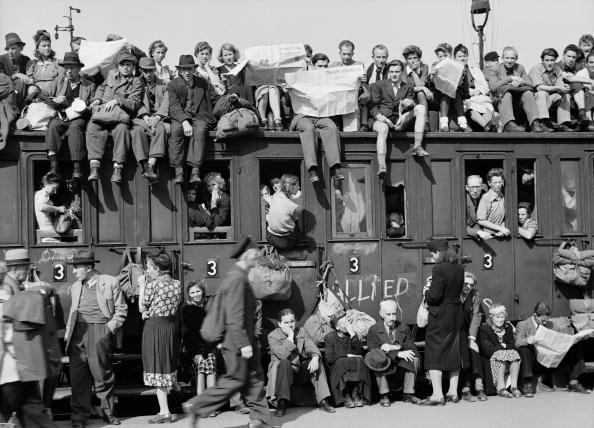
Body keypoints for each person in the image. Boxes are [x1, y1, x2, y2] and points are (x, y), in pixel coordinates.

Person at [183, 237, 273, 428]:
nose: (257, 259)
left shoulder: (239, 277)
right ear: (247, 255)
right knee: (236, 379)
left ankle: (260, 419)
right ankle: (196, 405)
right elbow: (234, 314)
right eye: (255, 255)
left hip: (244, 339)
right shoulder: (236, 278)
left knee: (255, 379)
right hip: (237, 341)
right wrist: (244, 343)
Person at [64, 250, 127, 427]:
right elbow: (72, 314)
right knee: (78, 378)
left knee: (102, 375)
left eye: (77, 268)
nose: (74, 272)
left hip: (99, 330)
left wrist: (107, 330)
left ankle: (108, 413)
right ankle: (79, 417)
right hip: (77, 334)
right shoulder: (76, 286)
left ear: (89, 267)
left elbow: (121, 310)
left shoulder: (109, 282)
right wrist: (68, 335)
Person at [0, 249, 57, 428]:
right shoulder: (6, 292)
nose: (27, 273)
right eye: (25, 268)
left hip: (18, 369)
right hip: (13, 369)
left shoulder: (15, 288)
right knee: (33, 414)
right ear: (16, 268)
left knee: (29, 414)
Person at [139, 252, 182, 424]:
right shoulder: (177, 284)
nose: (147, 271)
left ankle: (164, 411)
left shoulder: (153, 285)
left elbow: (142, 307)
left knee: (157, 368)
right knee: (165, 365)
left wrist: (142, 285)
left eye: (149, 267)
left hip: (155, 328)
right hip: (169, 328)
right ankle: (175, 386)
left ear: (157, 269)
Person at [87, 50, 143, 184]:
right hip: (103, 113)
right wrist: (97, 99)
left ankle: (118, 168)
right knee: (92, 126)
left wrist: (118, 100)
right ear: (118, 65)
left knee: (122, 130)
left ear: (133, 66)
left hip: (120, 116)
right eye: (122, 64)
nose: (125, 67)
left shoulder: (136, 82)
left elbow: (134, 104)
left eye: (128, 64)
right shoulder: (111, 74)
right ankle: (94, 168)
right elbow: (101, 87)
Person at [421, 239, 465, 405]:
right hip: (456, 313)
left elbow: (435, 296)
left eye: (433, 252)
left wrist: (427, 293)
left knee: (434, 352)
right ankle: (453, 392)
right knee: (454, 350)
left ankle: (437, 394)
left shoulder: (438, 269)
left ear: (440, 252)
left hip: (441, 315)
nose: (432, 256)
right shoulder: (459, 267)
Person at [266, 308, 335, 417]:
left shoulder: (301, 331)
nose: (290, 325)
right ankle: (282, 402)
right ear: (279, 324)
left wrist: (315, 357)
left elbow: (310, 346)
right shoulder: (273, 336)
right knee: (285, 362)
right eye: (286, 323)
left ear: (296, 321)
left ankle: (323, 401)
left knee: (317, 362)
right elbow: (282, 355)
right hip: (281, 374)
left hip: (297, 372)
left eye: (292, 321)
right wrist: (290, 337)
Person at [288, 53, 344, 184]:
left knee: (331, 127)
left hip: (322, 116)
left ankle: (335, 168)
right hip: (303, 116)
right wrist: (287, 92)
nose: (322, 69)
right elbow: (288, 103)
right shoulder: (301, 78)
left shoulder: (331, 80)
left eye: (325, 66)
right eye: (320, 66)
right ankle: (312, 169)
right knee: (308, 128)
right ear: (312, 66)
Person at [516, 302, 590, 397]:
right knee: (524, 349)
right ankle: (528, 384)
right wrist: (526, 340)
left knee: (574, 346)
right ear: (535, 315)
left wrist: (573, 339)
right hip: (536, 363)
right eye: (542, 320)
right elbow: (517, 342)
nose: (545, 323)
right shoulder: (523, 325)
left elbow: (560, 338)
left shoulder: (552, 325)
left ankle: (574, 382)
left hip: (553, 361)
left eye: (547, 320)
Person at [42, 52, 96, 182]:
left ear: (79, 68)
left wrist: (84, 107)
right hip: (62, 115)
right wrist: (55, 99)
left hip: (79, 117)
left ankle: (77, 169)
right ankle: (54, 166)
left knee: (75, 128)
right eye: (66, 67)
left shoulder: (89, 85)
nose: (69, 71)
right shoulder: (59, 81)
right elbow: (43, 94)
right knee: (54, 125)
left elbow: (94, 105)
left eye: (72, 67)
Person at [371, 59, 429, 179]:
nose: (394, 74)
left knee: (420, 108)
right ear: (388, 72)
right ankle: (382, 166)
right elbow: (372, 106)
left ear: (401, 72)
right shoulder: (379, 85)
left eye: (397, 71)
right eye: (392, 71)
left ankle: (417, 146)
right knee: (382, 130)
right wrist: (379, 116)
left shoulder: (408, 86)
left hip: (400, 120)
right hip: (382, 120)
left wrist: (411, 102)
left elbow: (411, 101)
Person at [167, 55, 221, 185]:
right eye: (184, 70)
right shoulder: (173, 84)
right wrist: (185, 122)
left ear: (194, 69)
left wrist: (228, 98)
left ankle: (195, 171)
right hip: (180, 117)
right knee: (175, 131)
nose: (187, 73)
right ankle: (178, 171)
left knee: (201, 131)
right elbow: (174, 107)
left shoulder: (204, 83)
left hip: (200, 117)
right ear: (179, 70)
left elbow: (215, 99)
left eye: (189, 69)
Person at [366, 299, 421, 406]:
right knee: (377, 359)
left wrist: (393, 347)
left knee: (414, 358)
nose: (392, 317)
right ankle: (384, 394)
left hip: (401, 361)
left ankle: (408, 393)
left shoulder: (403, 327)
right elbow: (374, 350)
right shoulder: (374, 329)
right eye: (388, 314)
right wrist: (398, 353)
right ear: (381, 314)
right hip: (386, 361)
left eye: (394, 314)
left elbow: (411, 347)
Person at [130, 57, 170, 184]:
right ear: (141, 71)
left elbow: (167, 102)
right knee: (136, 131)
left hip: (159, 117)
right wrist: (145, 116)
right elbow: (136, 101)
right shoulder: (136, 83)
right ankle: (144, 166)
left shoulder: (164, 84)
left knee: (160, 129)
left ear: (154, 70)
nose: (148, 74)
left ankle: (151, 165)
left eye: (150, 71)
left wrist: (158, 116)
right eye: (145, 71)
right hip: (142, 118)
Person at [181, 281, 219, 404]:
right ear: (189, 295)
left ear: (202, 291)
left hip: (210, 345)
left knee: (211, 364)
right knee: (202, 366)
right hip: (194, 348)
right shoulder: (187, 310)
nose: (196, 294)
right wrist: (197, 352)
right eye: (192, 292)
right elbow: (188, 334)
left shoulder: (210, 306)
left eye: (198, 291)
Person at [488, 46, 543, 132]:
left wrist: (520, 82)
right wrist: (511, 78)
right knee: (507, 94)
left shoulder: (520, 68)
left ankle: (534, 123)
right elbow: (493, 87)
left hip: (517, 100)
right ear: (502, 58)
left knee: (528, 93)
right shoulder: (494, 69)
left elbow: (530, 84)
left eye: (512, 58)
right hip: (500, 100)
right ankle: (509, 124)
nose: (509, 61)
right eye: (507, 58)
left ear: (516, 59)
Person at [323, 316, 370, 408]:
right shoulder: (330, 337)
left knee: (360, 361)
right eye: (345, 324)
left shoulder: (351, 336)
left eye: (349, 323)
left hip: (352, 364)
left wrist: (353, 335)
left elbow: (359, 353)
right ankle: (346, 396)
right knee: (342, 362)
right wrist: (346, 355)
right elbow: (329, 358)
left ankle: (355, 394)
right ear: (337, 327)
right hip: (337, 367)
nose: (348, 326)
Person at [478, 303, 521, 398]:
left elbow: (512, 345)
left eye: (502, 317)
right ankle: (501, 388)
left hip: (505, 355)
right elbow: (488, 351)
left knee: (515, 355)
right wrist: (502, 346)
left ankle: (514, 387)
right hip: (490, 358)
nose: (501, 320)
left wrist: (503, 347)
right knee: (501, 356)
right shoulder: (485, 329)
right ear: (492, 317)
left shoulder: (508, 327)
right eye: (498, 317)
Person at [454, 44, 498, 132]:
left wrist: (478, 90)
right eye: (460, 56)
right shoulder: (453, 70)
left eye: (464, 56)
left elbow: (485, 86)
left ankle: (488, 125)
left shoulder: (475, 70)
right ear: (455, 57)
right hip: (463, 99)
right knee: (473, 109)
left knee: (486, 109)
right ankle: (487, 126)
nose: (462, 58)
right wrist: (467, 91)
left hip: (478, 97)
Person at [529, 48, 573, 132]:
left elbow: (559, 87)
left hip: (549, 99)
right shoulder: (536, 68)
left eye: (552, 60)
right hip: (535, 100)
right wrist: (557, 88)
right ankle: (543, 122)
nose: (549, 63)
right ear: (542, 60)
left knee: (565, 94)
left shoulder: (557, 70)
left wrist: (564, 87)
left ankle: (563, 123)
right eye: (547, 60)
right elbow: (539, 87)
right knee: (542, 93)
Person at [460, 272, 488, 402]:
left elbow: (476, 316)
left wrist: (471, 339)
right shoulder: (454, 293)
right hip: (455, 331)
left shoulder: (474, 295)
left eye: (471, 285)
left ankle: (479, 386)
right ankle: (465, 388)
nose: (468, 287)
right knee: (464, 352)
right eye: (466, 283)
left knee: (474, 349)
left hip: (468, 329)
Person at [433, 43, 472, 133]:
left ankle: (462, 122)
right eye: (440, 56)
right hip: (439, 94)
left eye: (445, 56)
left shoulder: (455, 67)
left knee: (455, 91)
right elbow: (432, 83)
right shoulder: (436, 65)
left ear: (450, 55)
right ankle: (444, 124)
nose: (443, 58)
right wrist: (433, 74)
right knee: (448, 92)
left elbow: (463, 85)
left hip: (455, 93)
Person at [266, 174, 303, 250]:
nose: (299, 187)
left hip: (270, 237)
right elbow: (295, 219)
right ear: (291, 187)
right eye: (297, 185)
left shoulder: (276, 194)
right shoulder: (293, 206)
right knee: (299, 228)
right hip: (286, 242)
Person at [402, 45, 432, 131]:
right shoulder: (403, 68)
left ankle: (425, 122)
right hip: (407, 95)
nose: (412, 61)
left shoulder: (424, 67)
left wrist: (414, 72)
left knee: (421, 93)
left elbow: (420, 86)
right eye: (409, 58)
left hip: (421, 96)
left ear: (419, 58)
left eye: (415, 58)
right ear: (406, 60)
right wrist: (424, 88)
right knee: (421, 91)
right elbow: (406, 88)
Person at [26, 30, 62, 95]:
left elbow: (61, 82)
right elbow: (30, 82)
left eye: (49, 45)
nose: (47, 48)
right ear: (37, 48)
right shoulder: (32, 64)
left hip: (53, 94)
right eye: (44, 46)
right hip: (37, 95)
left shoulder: (57, 63)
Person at [0, 32, 32, 108]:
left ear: (20, 48)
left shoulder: (26, 60)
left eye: (13, 48)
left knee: (21, 82)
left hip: (20, 92)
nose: (10, 52)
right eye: (8, 49)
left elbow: (29, 76)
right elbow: (2, 79)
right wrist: (16, 75)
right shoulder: (1, 60)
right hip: (5, 90)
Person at [34, 172, 67, 241]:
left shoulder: (40, 194)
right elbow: (41, 207)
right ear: (46, 184)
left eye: (56, 189)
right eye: (54, 188)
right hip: (47, 234)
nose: (55, 192)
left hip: (47, 233)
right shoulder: (43, 194)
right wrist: (58, 209)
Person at [477, 168, 510, 238]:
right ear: (489, 183)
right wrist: (501, 228)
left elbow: (502, 219)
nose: (498, 185)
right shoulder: (486, 198)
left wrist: (502, 228)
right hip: (488, 237)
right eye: (495, 182)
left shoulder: (503, 196)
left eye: (500, 182)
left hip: (500, 235)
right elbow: (481, 221)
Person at [466, 175, 493, 241]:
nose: (475, 190)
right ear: (467, 188)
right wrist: (478, 232)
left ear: (481, 187)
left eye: (477, 187)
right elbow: (460, 227)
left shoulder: (485, 198)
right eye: (472, 187)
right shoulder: (462, 201)